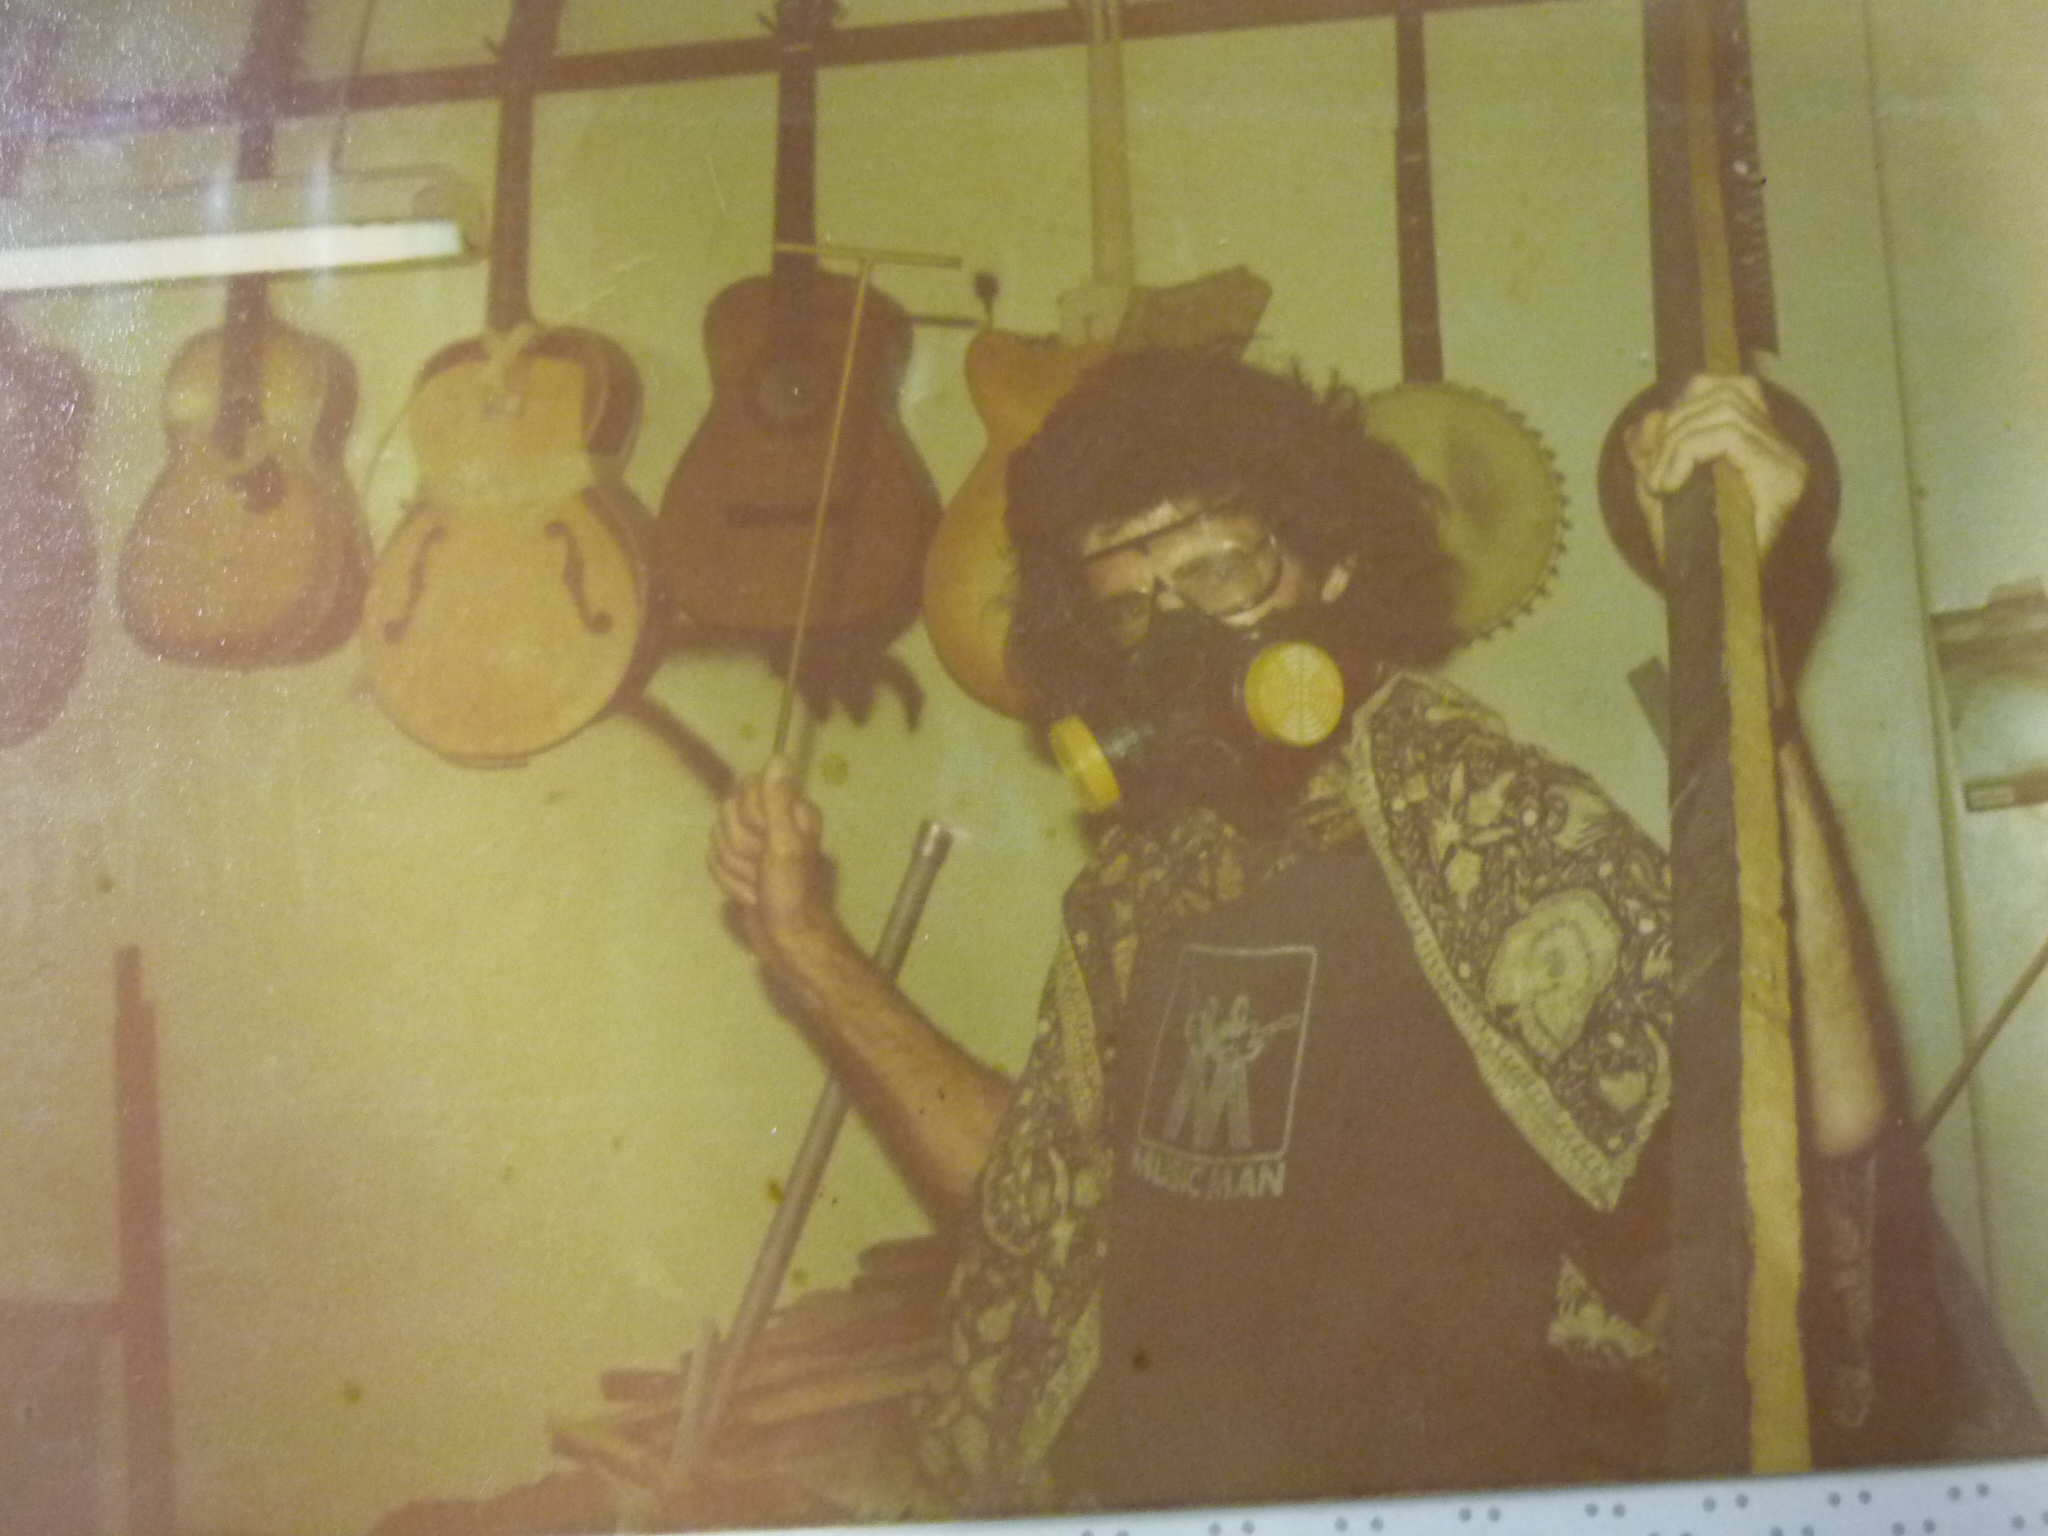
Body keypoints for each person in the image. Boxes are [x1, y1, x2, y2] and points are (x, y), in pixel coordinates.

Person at [707, 350, 1955, 1514]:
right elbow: (1032, 1205)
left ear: (1332, 566)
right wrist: (808, 949)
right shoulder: (1141, 885)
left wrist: (1740, 629)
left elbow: (1818, 1110)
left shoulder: (1477, 820)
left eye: (1220, 571)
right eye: (1132, 608)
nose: (1180, 636)